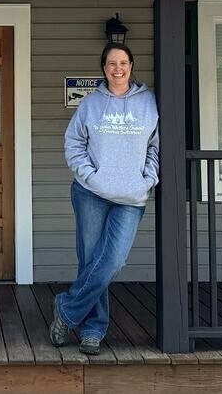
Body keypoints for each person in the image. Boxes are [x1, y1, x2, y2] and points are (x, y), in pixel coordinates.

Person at [51, 42, 159, 355]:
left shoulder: (149, 102)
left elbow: (156, 146)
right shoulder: (91, 103)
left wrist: (147, 178)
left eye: (123, 63)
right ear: (104, 68)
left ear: (131, 66)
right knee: (90, 260)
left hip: (131, 196)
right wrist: (91, 176)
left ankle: (66, 309)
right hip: (90, 194)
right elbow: (73, 143)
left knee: (112, 261)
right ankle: (92, 331)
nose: (117, 69)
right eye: (112, 63)